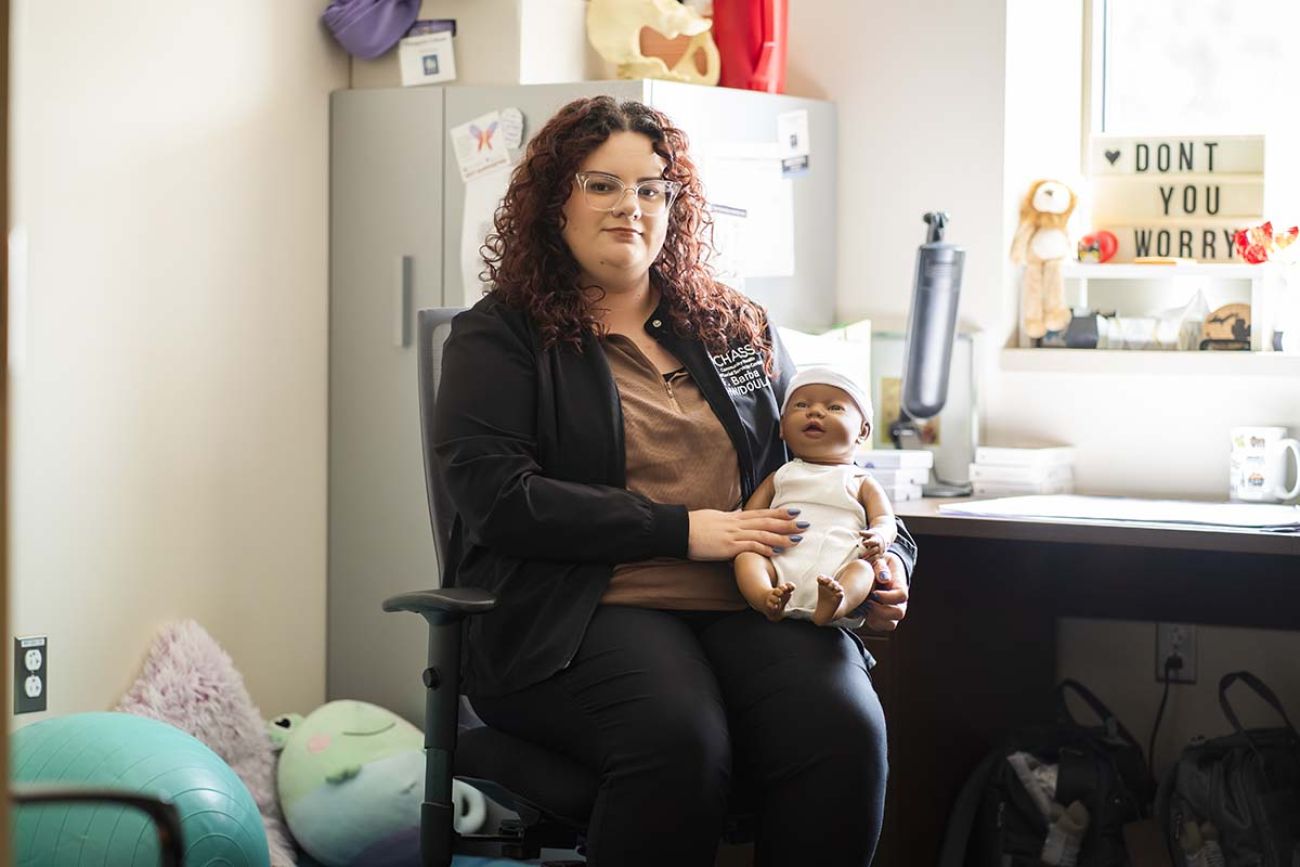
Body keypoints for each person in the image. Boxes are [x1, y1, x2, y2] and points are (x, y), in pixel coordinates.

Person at [434, 95, 918, 867]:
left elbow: (827, 467)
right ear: (554, 197)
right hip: (585, 609)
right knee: (677, 741)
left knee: (843, 729)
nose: (631, 206)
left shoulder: (731, 325)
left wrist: (888, 566)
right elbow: (499, 500)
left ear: (674, 207)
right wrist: (686, 529)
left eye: (653, 188)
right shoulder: (499, 337)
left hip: (749, 600)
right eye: (603, 184)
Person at [734, 366, 898, 627]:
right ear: (782, 428)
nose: (815, 411)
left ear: (863, 432)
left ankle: (837, 605)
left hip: (838, 569)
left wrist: (880, 536)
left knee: (862, 570)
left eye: (834, 408)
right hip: (778, 568)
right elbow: (750, 520)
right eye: (801, 405)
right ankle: (766, 598)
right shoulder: (780, 476)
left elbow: (885, 520)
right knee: (747, 560)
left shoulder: (861, 481)